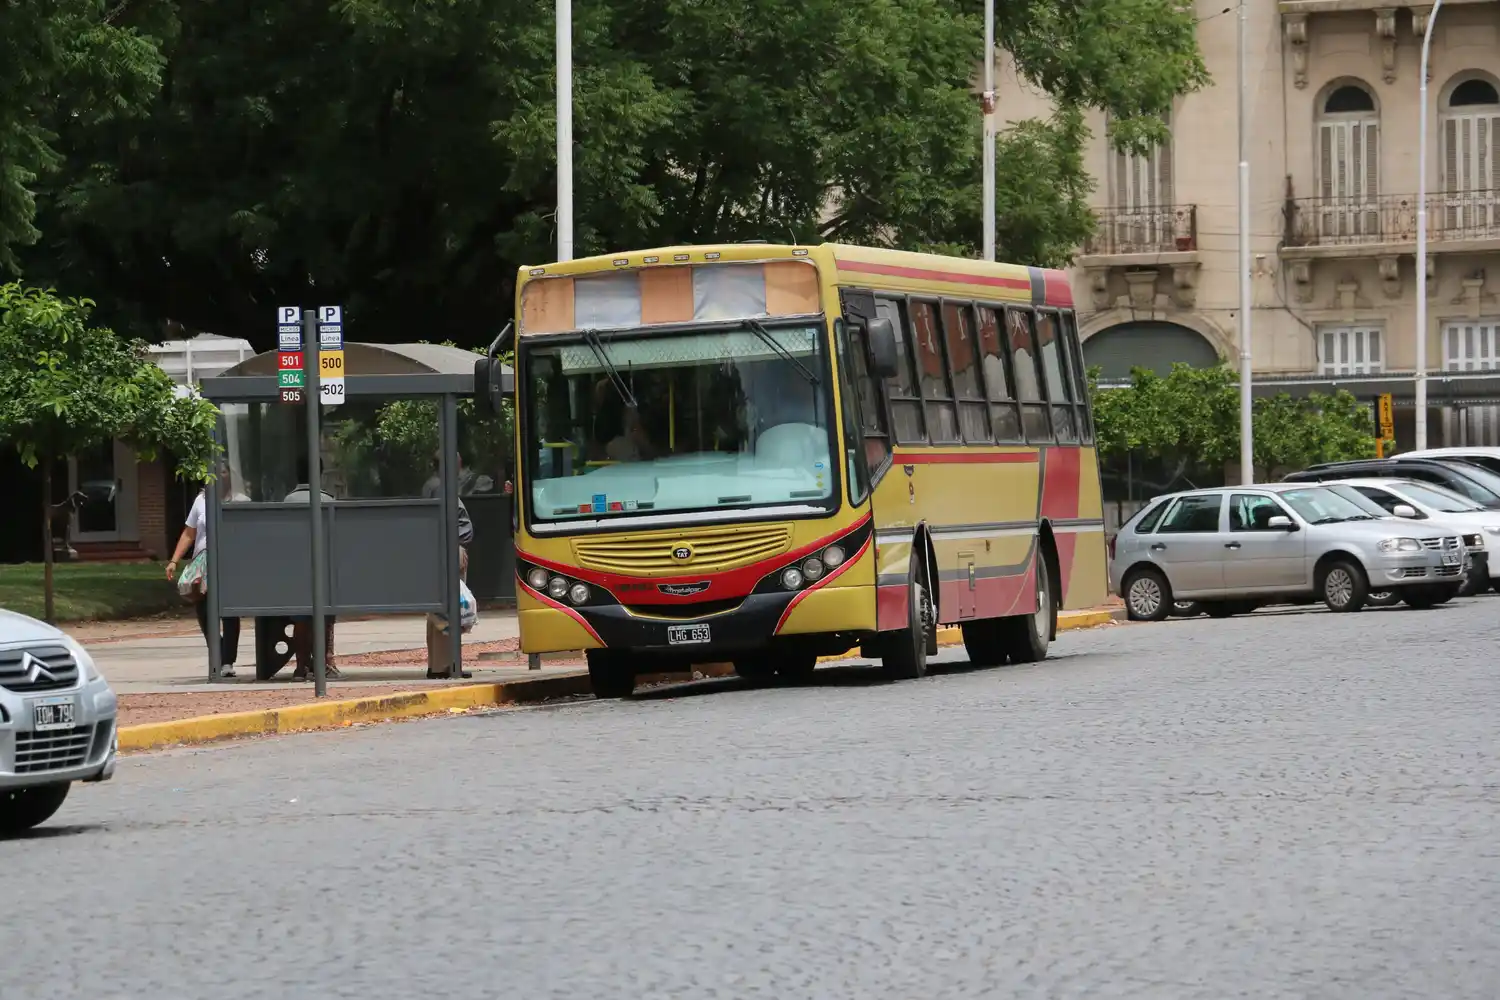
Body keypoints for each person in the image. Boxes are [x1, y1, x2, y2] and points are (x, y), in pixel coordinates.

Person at [166, 473, 247, 679]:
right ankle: (218, 652)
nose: (220, 476)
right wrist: (174, 560)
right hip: (203, 564)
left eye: (224, 472)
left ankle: (227, 660)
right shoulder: (201, 500)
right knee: (203, 609)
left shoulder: (239, 500)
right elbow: (189, 533)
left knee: (228, 611)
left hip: (231, 563)